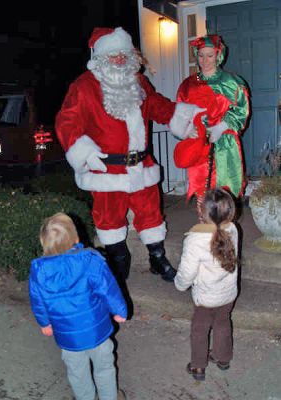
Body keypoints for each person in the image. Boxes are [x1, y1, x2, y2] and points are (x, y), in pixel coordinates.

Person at [55, 26, 204, 284]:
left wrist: (184, 120)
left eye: (124, 53)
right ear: (100, 57)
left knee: (151, 214)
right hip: (106, 170)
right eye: (113, 54)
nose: (120, 59)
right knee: (109, 219)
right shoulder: (84, 87)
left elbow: (157, 105)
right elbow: (66, 122)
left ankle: (157, 258)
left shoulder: (139, 81)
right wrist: (85, 152)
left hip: (141, 165)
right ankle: (118, 260)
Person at [29, 212, 127, 400]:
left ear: (44, 242)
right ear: (76, 238)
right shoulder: (90, 260)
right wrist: (119, 311)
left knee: (77, 372)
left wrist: (45, 324)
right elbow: (108, 289)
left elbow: (37, 300)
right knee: (104, 367)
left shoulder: (39, 270)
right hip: (97, 331)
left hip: (68, 337)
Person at [173, 34, 250, 221]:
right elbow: (180, 112)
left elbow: (242, 110)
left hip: (224, 142)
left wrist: (221, 127)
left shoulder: (232, 82)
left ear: (218, 55)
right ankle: (205, 229)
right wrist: (186, 129)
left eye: (209, 55)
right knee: (202, 188)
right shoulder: (187, 85)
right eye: (201, 55)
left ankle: (224, 233)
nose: (205, 60)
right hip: (199, 143)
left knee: (224, 188)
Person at [174, 188, 238, 381]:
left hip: (205, 298)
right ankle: (223, 358)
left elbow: (187, 271)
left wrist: (180, 284)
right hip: (228, 294)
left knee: (199, 329)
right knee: (223, 324)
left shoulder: (195, 239)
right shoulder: (233, 230)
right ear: (230, 212)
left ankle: (198, 367)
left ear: (202, 213)